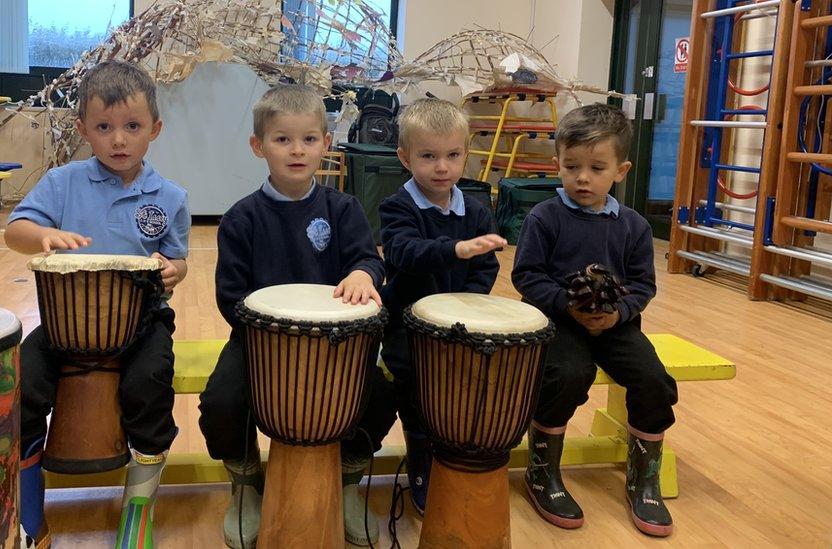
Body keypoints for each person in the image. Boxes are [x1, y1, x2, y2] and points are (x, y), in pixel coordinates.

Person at [3, 60, 190, 549]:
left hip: (143, 320)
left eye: (132, 127)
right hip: (66, 326)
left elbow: (177, 258)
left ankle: (139, 507)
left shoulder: (168, 197)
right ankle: (29, 511)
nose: (118, 140)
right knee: (22, 387)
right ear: (83, 128)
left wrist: (174, 270)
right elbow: (15, 231)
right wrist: (44, 233)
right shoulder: (63, 182)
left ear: (155, 129)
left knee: (150, 385)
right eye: (104, 128)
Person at [197, 84, 392, 548]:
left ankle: (347, 482)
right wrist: (272, 329)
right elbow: (231, 297)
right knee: (222, 403)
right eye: (282, 139)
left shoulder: (343, 209)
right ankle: (245, 482)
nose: (297, 150)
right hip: (261, 345)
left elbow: (369, 261)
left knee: (383, 397)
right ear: (258, 146)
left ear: (326, 144)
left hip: (338, 347)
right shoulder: (242, 218)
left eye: (308, 139)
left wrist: (365, 274)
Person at [511, 103, 678, 537]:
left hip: (616, 326)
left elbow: (643, 285)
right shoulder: (543, 217)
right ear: (557, 165)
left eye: (596, 167)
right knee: (567, 373)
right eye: (572, 166)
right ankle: (541, 471)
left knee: (654, 380)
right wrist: (566, 306)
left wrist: (618, 314)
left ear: (620, 170)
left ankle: (644, 479)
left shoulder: (635, 226)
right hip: (558, 322)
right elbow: (526, 276)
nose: (582, 177)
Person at [377, 97, 504, 514]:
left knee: (463, 387)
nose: (442, 167)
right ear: (404, 157)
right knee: (413, 390)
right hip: (406, 324)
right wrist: (455, 249)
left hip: (459, 322)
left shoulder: (478, 209)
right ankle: (420, 457)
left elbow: (485, 268)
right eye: (428, 156)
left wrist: (467, 301)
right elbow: (404, 252)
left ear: (466, 155)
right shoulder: (398, 206)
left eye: (452, 155)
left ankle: (455, 452)